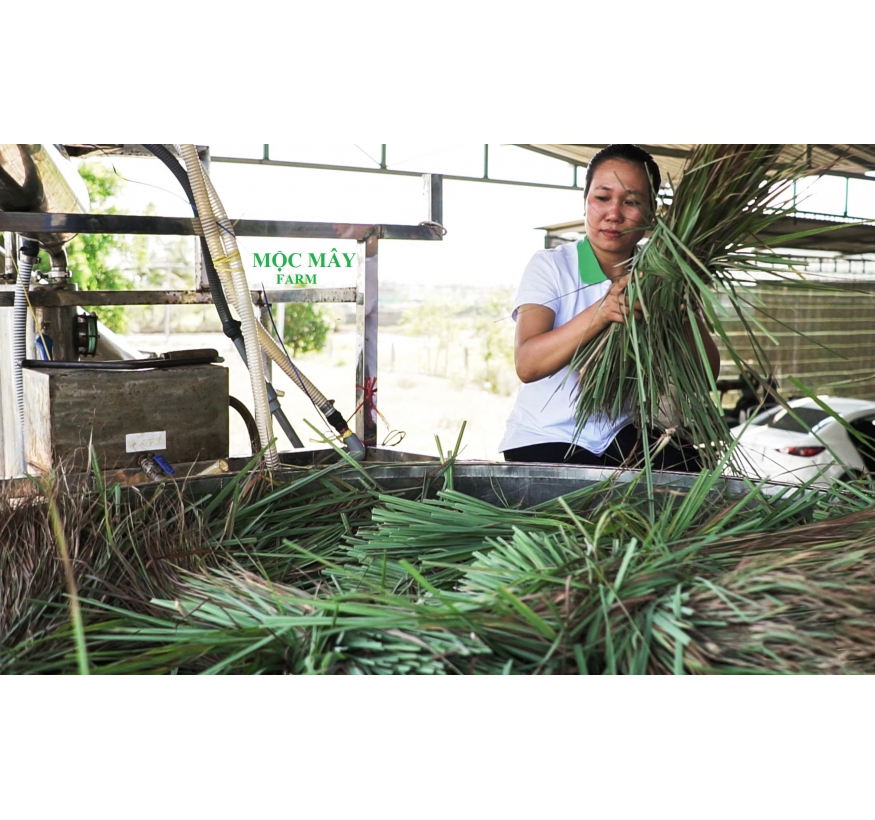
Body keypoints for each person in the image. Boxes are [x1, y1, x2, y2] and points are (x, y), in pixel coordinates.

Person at [499, 144, 720, 470]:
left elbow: (704, 378)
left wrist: (684, 313)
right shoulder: (552, 266)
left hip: (620, 435)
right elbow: (527, 364)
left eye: (631, 201)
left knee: (694, 471)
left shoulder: (661, 276)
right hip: (546, 437)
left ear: (652, 212)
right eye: (602, 198)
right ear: (585, 201)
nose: (614, 213)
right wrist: (601, 312)